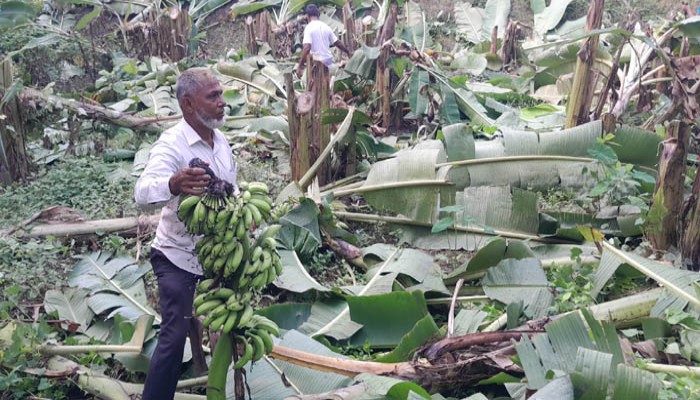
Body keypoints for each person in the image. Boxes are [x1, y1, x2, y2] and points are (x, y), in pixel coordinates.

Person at [134, 67, 237, 400]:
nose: (223, 102)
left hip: (217, 253)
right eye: (214, 96)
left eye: (221, 94)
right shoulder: (172, 144)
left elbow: (232, 189)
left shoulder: (220, 141)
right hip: (177, 255)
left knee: (232, 325)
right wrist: (173, 184)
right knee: (174, 336)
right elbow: (142, 192)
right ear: (189, 105)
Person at [295, 3, 352, 79]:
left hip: (317, 65)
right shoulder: (326, 26)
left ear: (308, 16)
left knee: (304, 82)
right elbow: (338, 43)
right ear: (318, 15)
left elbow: (307, 48)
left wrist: (299, 66)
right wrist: (348, 52)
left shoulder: (309, 28)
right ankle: (338, 67)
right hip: (328, 62)